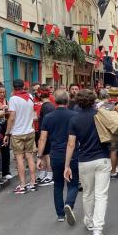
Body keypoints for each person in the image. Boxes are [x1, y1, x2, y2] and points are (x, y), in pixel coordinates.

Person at [64, 89, 112, 235]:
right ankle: (98, 229)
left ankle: (89, 221)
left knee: (87, 193)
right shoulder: (100, 115)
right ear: (93, 100)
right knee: (101, 195)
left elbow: (71, 144)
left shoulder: (75, 120)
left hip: (84, 160)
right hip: (103, 158)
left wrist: (67, 165)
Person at [37, 89, 79, 224]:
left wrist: (39, 156)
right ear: (67, 100)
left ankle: (60, 214)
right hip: (72, 154)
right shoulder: (75, 115)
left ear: (54, 100)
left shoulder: (48, 117)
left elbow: (42, 139)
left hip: (55, 154)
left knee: (58, 185)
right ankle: (69, 204)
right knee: (73, 184)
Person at [4, 79, 38, 194]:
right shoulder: (30, 97)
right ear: (23, 86)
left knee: (19, 158)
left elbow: (12, 117)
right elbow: (33, 115)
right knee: (29, 157)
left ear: (13, 87)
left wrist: (7, 133)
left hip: (18, 133)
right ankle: (33, 183)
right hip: (29, 131)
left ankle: (22, 185)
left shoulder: (13, 99)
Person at [34, 85, 55, 187]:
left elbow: (47, 122)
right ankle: (45, 174)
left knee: (47, 155)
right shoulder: (48, 105)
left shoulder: (46, 106)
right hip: (47, 133)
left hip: (47, 134)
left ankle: (50, 175)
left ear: (39, 93)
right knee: (46, 154)